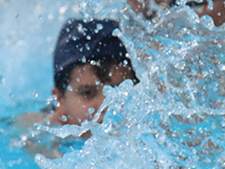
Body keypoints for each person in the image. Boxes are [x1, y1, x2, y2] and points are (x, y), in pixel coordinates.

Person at [15, 19, 138, 157]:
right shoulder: (38, 127)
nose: (106, 105)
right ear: (60, 99)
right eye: (87, 93)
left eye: (118, 91)